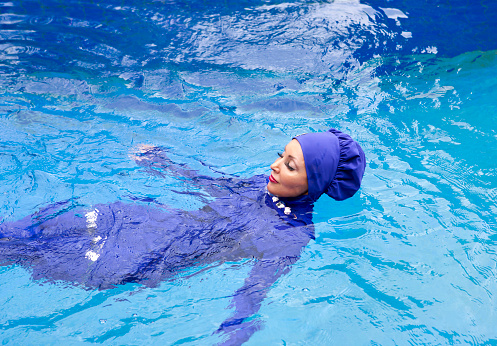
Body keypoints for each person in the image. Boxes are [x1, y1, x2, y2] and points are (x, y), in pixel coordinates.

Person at [0, 128, 365, 345]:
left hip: (147, 257)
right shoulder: (259, 185)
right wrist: (162, 162)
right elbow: (212, 183)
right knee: (32, 230)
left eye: (290, 165)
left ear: (313, 183)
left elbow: (257, 286)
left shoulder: (291, 235)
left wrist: (236, 326)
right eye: (280, 155)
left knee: (25, 254)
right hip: (139, 219)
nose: (274, 165)